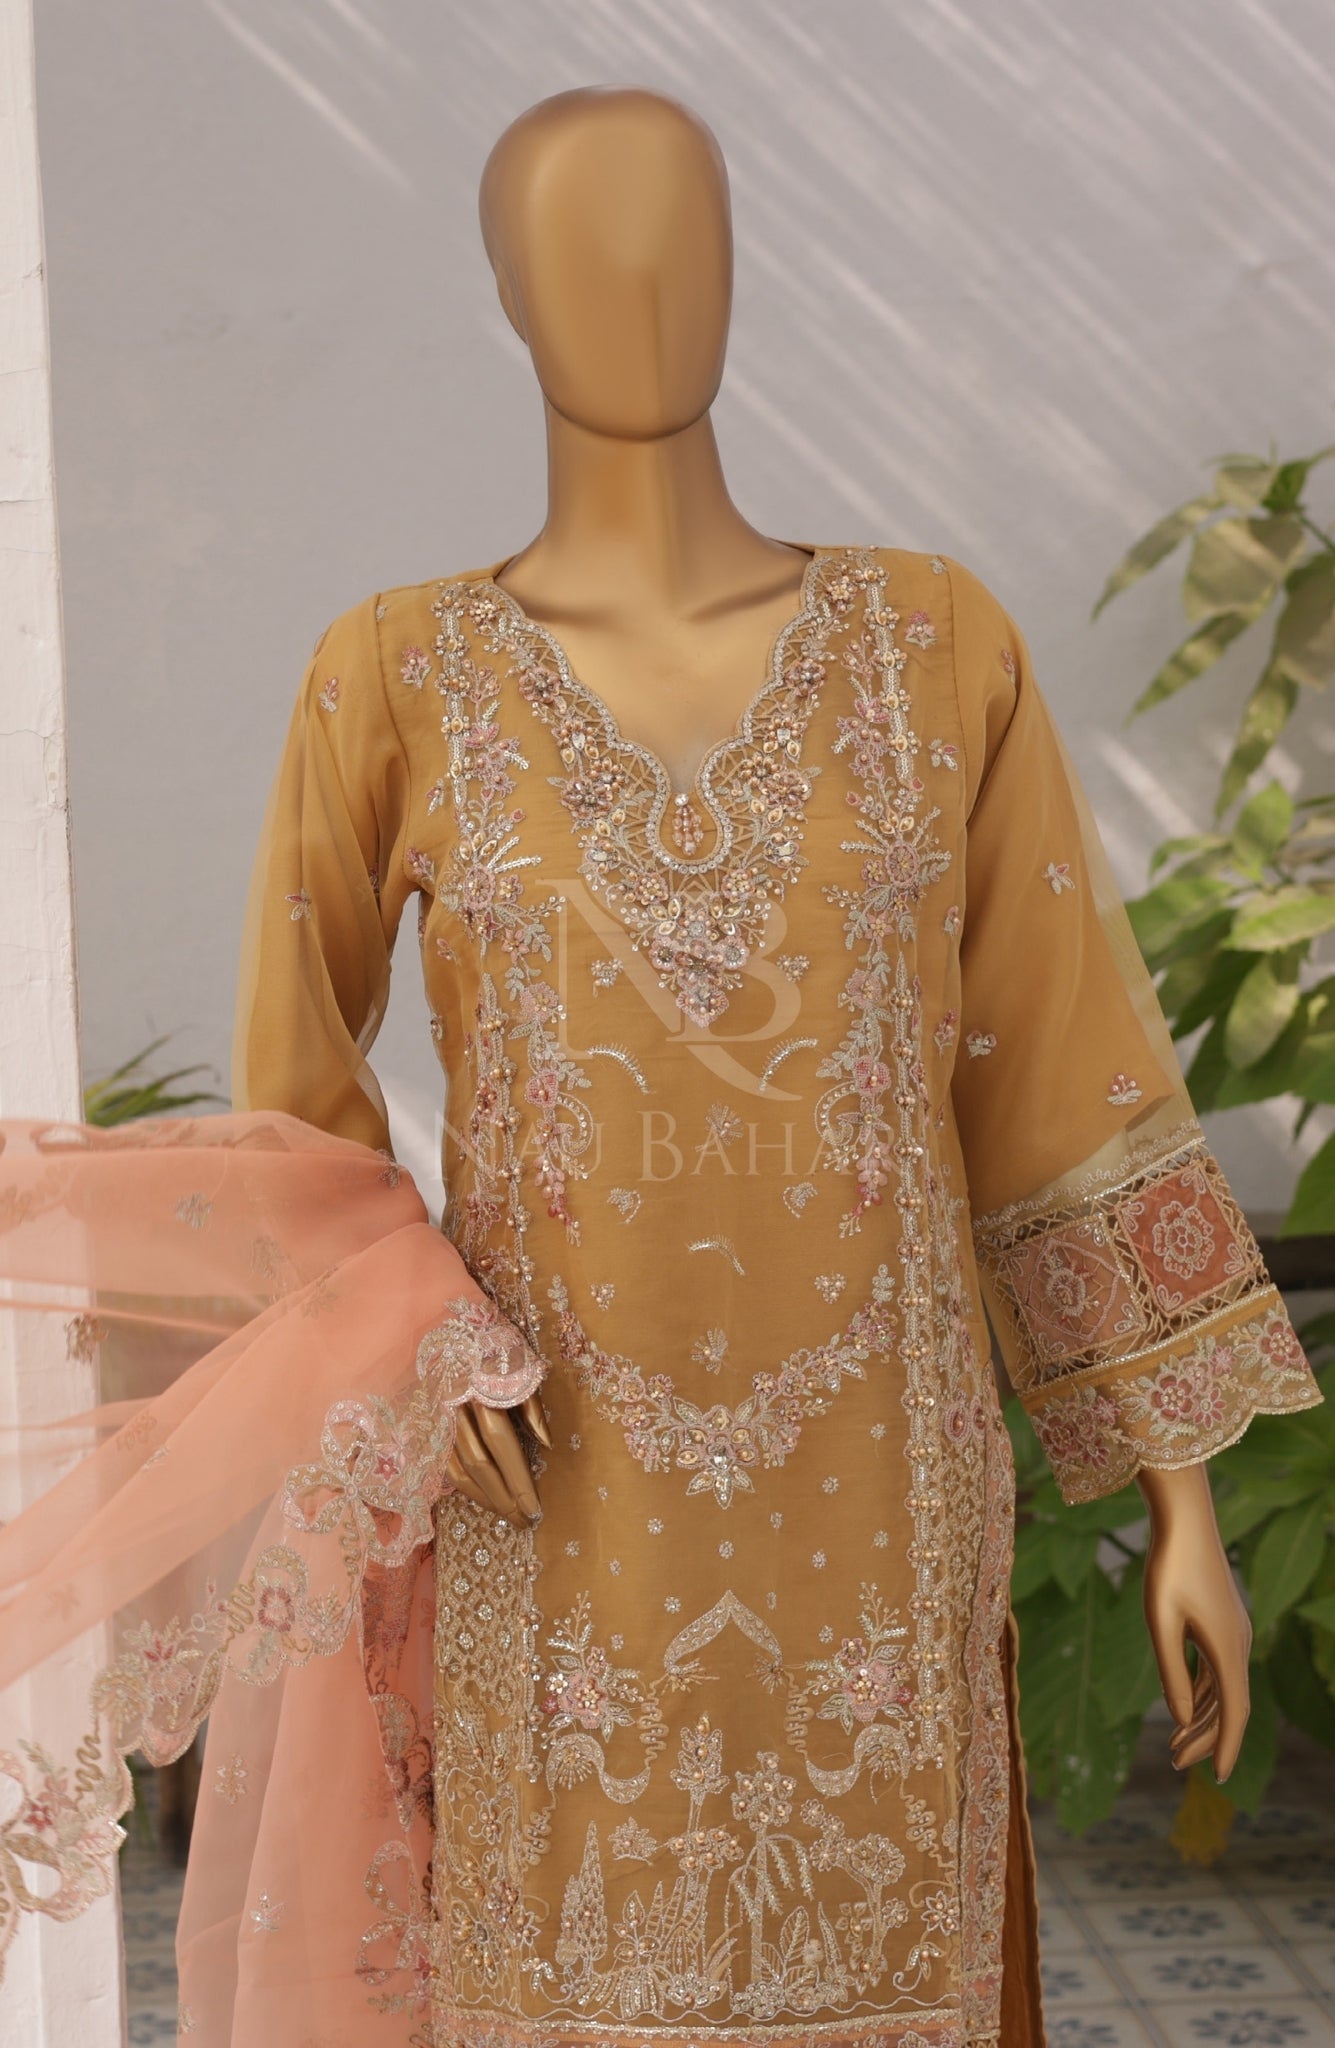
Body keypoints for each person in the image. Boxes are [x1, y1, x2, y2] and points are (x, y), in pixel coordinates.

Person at [0, 84, 1321, 2048]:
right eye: (582, 249)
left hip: (882, 1521)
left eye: (680, 238)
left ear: (735, 268)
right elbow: (298, 1103)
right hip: (557, 1509)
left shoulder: (934, 644)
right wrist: (406, 1335)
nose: (639, 288)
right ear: (507, 296)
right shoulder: (395, 673)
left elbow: (1053, 1077)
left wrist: (1185, 1503)